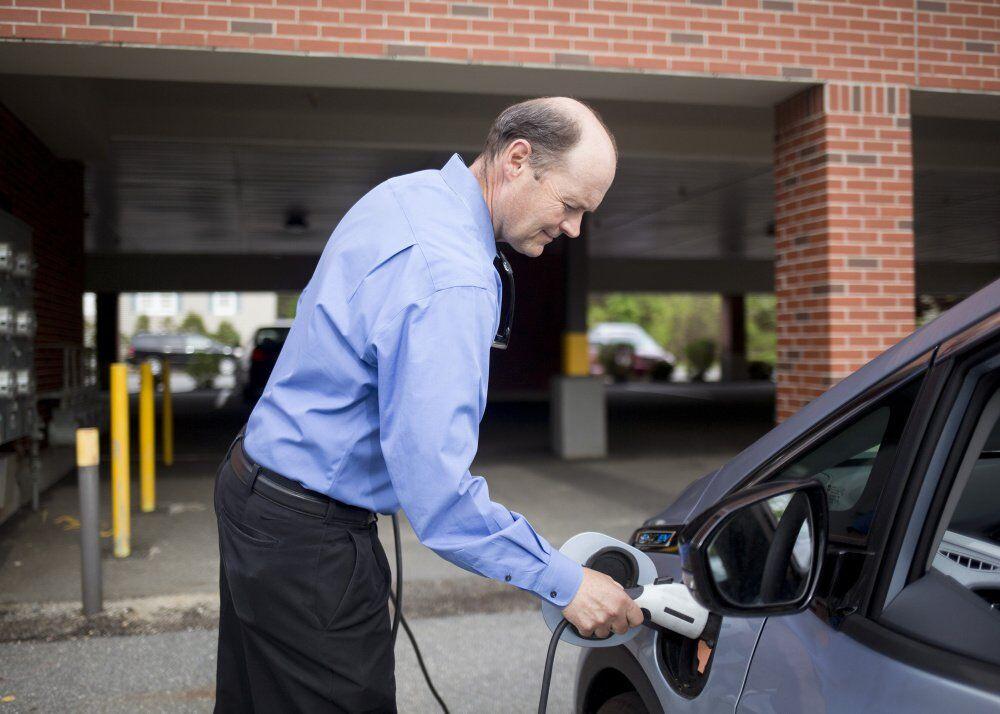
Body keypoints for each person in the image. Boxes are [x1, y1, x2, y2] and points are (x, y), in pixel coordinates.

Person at [214, 96, 644, 712]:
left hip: (254, 491)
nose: (573, 229)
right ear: (518, 159)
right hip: (308, 541)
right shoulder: (453, 278)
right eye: (570, 205)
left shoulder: (407, 195)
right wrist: (565, 581)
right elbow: (439, 500)